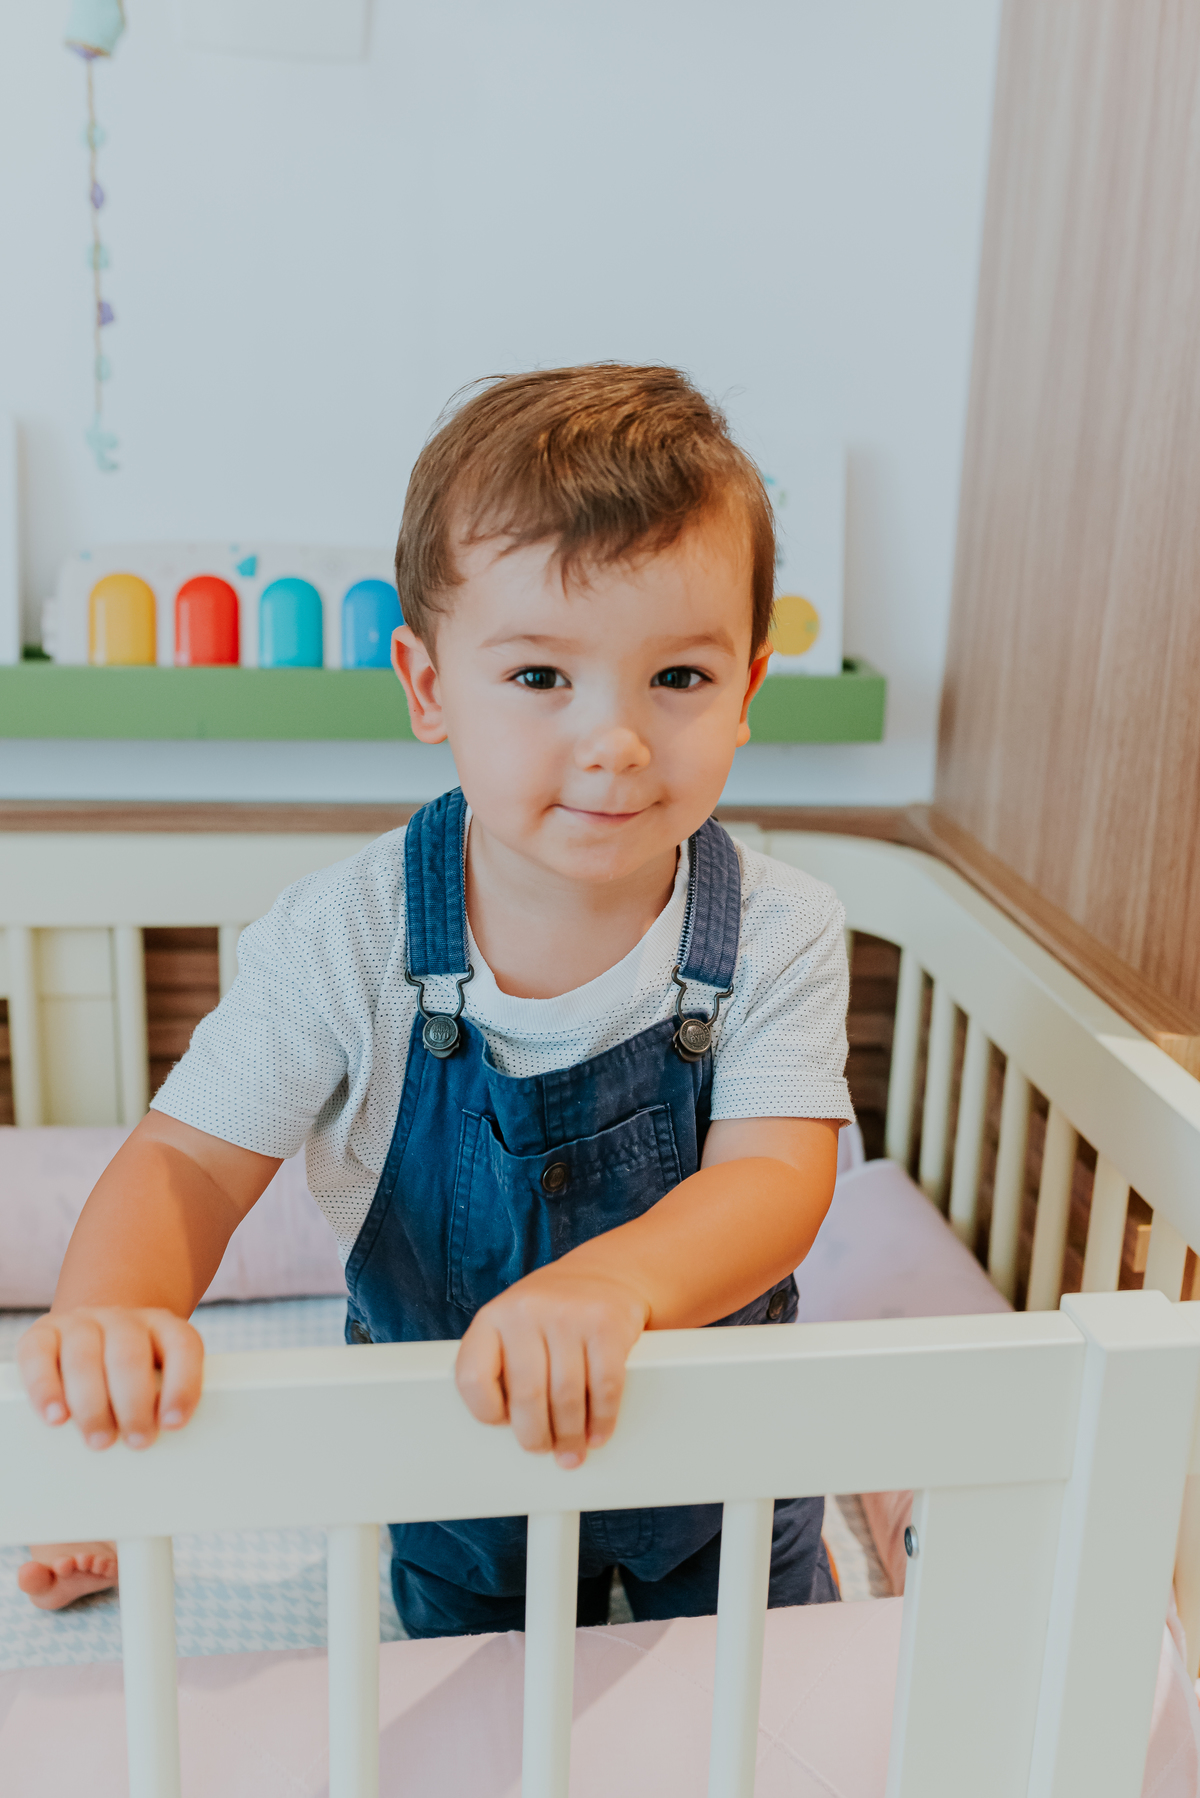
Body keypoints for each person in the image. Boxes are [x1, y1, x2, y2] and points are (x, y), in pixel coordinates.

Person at [17, 363, 854, 1632]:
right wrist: (111, 1317)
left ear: (747, 689)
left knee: (778, 1703)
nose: (614, 741)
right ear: (426, 685)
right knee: (476, 1720)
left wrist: (610, 1286)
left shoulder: (782, 928)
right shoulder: (345, 938)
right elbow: (188, 1159)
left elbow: (774, 1183)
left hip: (720, 1460)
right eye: (539, 678)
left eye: (677, 678)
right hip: (455, 1465)